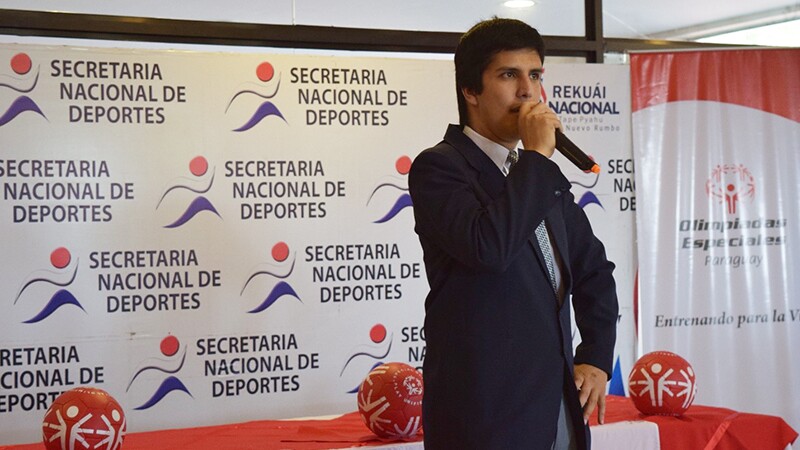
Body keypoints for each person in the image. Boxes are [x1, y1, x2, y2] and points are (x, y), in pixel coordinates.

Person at [408, 18, 619, 450]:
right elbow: (489, 248)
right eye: (509, 75)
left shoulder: (541, 175)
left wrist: (597, 357)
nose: (528, 91)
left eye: (535, 75)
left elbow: (593, 270)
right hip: (483, 413)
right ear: (470, 90)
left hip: (557, 403)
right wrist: (537, 158)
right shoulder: (440, 168)